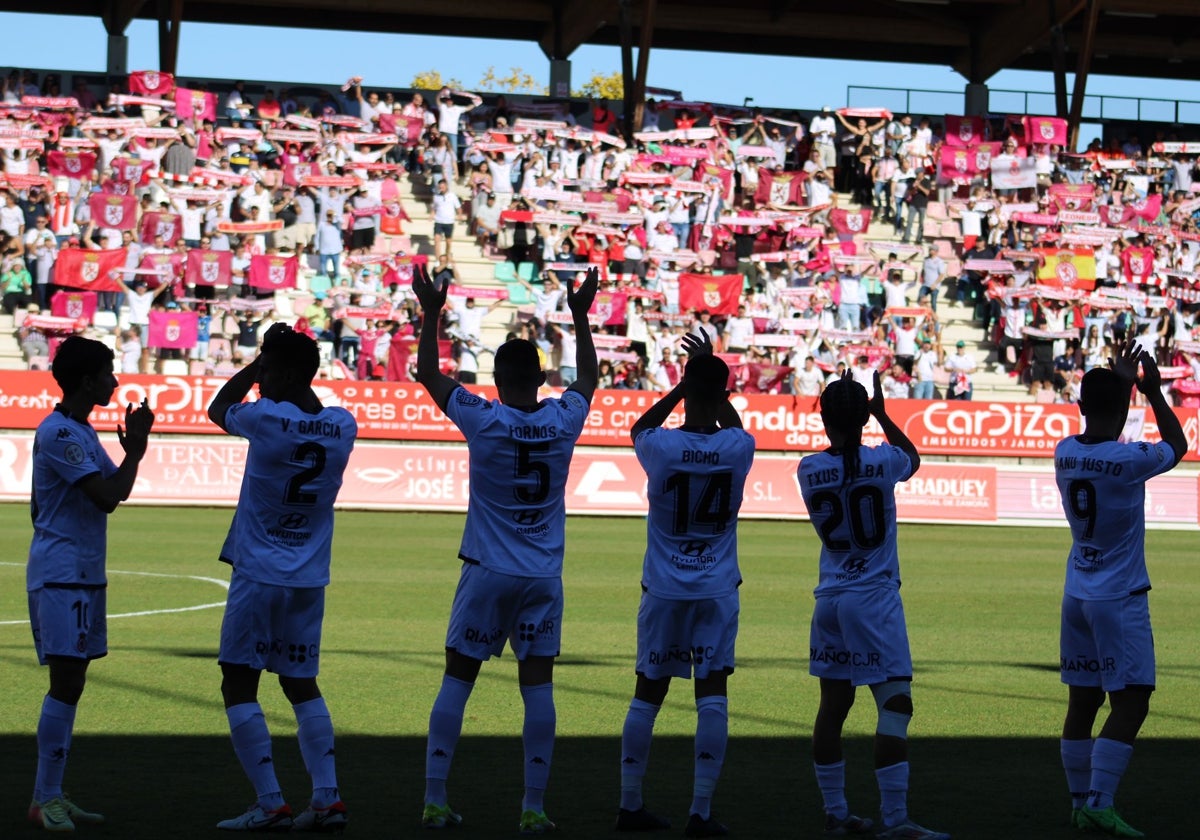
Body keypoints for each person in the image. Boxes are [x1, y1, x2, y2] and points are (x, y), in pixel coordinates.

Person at [414, 264, 598, 834]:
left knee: (457, 679)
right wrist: (581, 313)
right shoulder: (564, 419)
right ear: (543, 377)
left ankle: (436, 800)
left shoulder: (483, 418)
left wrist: (431, 311)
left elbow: (426, 373)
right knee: (537, 687)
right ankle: (534, 807)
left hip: (488, 570)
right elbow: (588, 383)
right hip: (543, 575)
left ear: (495, 379)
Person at [207, 324, 359, 832]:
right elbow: (308, 405)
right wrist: (277, 363)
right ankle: (328, 798)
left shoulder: (267, 418)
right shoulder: (343, 424)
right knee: (300, 683)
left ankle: (271, 803)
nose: (260, 380)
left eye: (268, 371)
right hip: (309, 577)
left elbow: (217, 408)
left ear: (287, 374)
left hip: (259, 574)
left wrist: (254, 364)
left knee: (238, 682)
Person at [799, 372, 949, 840]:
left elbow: (841, 463)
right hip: (873, 598)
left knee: (833, 707)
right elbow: (914, 458)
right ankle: (896, 819)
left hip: (830, 597)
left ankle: (837, 811)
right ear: (864, 417)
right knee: (895, 704)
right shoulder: (883, 460)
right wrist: (883, 413)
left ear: (823, 419)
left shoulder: (806, 468)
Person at [617, 334, 755, 838]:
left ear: (686, 388)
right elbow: (735, 426)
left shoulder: (662, 446)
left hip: (664, 588)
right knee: (712, 693)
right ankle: (700, 811)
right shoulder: (737, 447)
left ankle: (630, 804)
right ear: (722, 396)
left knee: (647, 694)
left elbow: (640, 427)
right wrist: (712, 390)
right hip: (715, 589)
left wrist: (681, 387)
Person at [1055, 342, 1186, 838]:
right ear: (1126, 407)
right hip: (1120, 596)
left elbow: (1103, 426)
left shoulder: (1064, 451)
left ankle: (1076, 802)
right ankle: (1099, 803)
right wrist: (1150, 391)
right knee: (1132, 701)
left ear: (1081, 407)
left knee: (1082, 702)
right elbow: (1177, 445)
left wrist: (1126, 387)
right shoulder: (1129, 459)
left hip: (1077, 593)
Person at [26, 336, 154, 832]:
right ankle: (43, 799)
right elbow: (106, 496)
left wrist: (133, 453)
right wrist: (137, 452)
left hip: (80, 574)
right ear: (86, 380)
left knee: (72, 684)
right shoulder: (59, 433)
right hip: (61, 574)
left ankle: (51, 793)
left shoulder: (80, 429)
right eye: (107, 373)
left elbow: (114, 493)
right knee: (65, 683)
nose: (115, 382)